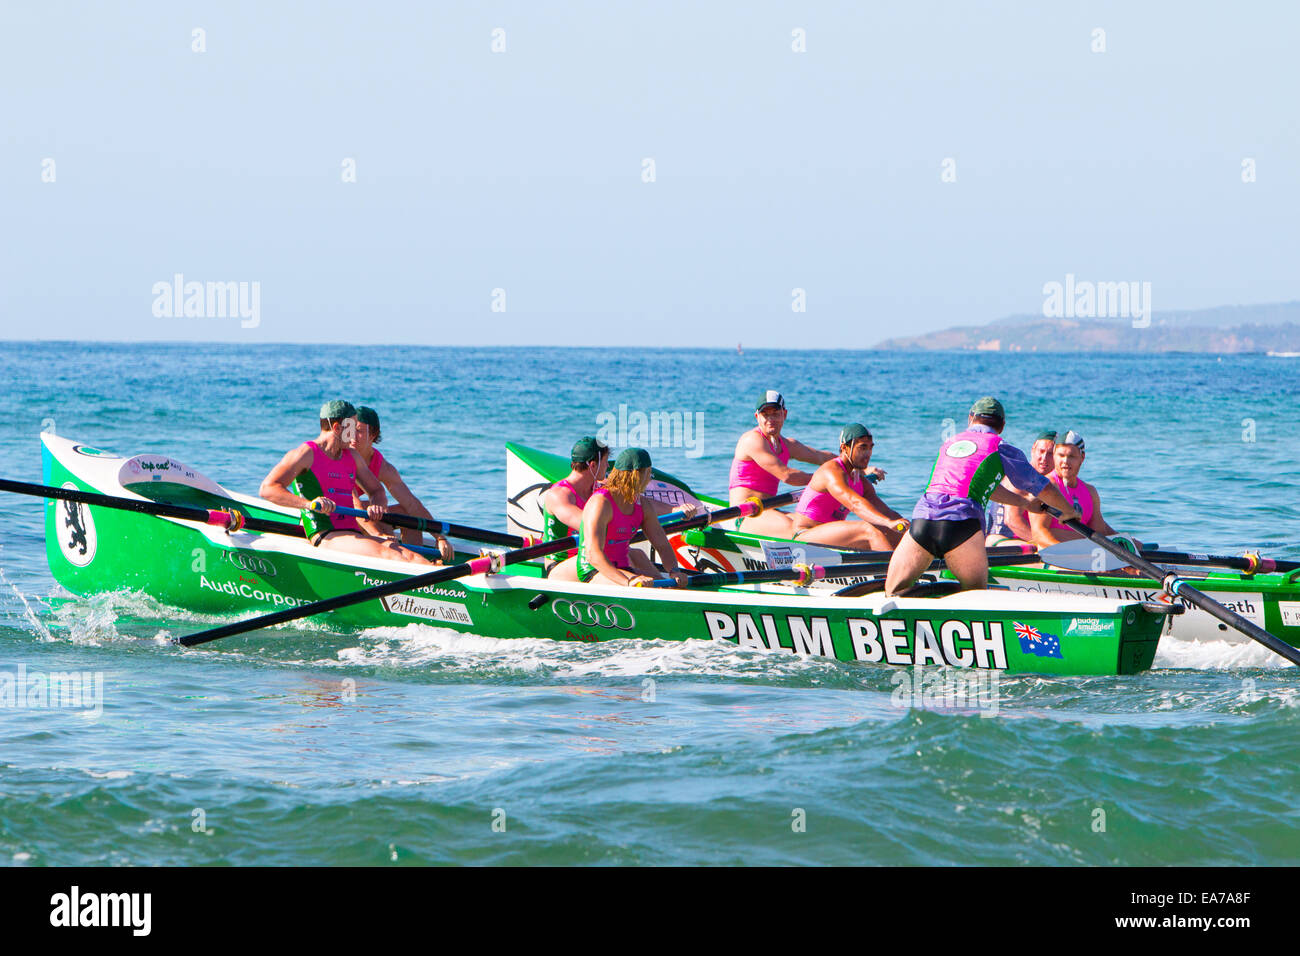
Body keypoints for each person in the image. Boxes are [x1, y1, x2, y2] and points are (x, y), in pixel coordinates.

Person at [884, 398, 1079, 594]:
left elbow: (985, 487)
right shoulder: (1001, 446)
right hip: (962, 526)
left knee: (893, 591)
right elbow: (1041, 487)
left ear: (970, 419)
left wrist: (1024, 503)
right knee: (975, 596)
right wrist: (1068, 511)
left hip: (923, 521)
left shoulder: (950, 442)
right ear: (1002, 426)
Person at [259, 400, 432, 564]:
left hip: (352, 533)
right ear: (336, 427)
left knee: (408, 554)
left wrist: (376, 505)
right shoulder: (305, 454)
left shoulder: (352, 457)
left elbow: (377, 491)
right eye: (352, 427)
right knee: (390, 554)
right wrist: (308, 504)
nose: (355, 435)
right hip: (327, 534)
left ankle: (448, 583)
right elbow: (268, 489)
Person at [550, 448, 690, 587]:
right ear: (640, 474)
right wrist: (628, 581)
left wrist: (674, 571)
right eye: (649, 473)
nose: (649, 479)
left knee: (665, 586)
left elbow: (662, 545)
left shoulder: (643, 505)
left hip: (621, 567)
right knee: (647, 588)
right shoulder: (601, 503)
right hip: (593, 570)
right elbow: (593, 555)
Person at [727, 390, 843, 536]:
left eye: (775, 413)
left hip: (769, 510)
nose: (770, 419)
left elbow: (821, 457)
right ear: (757, 417)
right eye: (765, 414)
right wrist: (827, 481)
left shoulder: (787, 444)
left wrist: (857, 469)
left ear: (784, 414)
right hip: (745, 515)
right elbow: (787, 475)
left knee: (815, 525)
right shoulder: (752, 440)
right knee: (795, 529)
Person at [348, 406, 453, 563]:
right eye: (349, 430)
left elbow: (412, 503)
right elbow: (354, 506)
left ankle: (417, 561)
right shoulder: (343, 458)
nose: (352, 436)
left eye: (359, 431)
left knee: (406, 512)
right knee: (376, 518)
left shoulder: (383, 467)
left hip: (360, 514)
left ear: (373, 435)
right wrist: (380, 536)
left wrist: (439, 536)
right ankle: (410, 561)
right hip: (337, 514)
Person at [789, 424, 907, 550]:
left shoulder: (862, 482)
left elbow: (886, 513)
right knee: (869, 529)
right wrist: (888, 522)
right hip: (805, 536)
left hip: (833, 538)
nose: (868, 454)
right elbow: (855, 504)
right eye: (862, 448)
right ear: (844, 448)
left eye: (870, 448)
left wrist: (909, 528)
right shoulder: (832, 471)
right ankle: (892, 569)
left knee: (894, 532)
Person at [1028, 430, 1119, 547]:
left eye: (1071, 456)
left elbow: (1100, 534)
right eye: (1061, 455)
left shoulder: (1090, 492)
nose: (1065, 461)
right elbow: (1039, 534)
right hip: (1051, 556)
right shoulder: (1045, 486)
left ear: (1082, 458)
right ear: (1054, 455)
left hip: (1084, 556)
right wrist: (1067, 555)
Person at [542, 436, 609, 579]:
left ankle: (665, 587)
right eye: (605, 462)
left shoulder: (599, 488)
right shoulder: (558, 495)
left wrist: (669, 509)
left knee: (635, 554)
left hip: (589, 557)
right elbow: (589, 527)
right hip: (560, 567)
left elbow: (644, 505)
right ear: (592, 465)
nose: (608, 466)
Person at [985, 429, 1056, 544]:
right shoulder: (1022, 477)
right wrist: (1042, 544)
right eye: (1041, 451)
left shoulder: (1042, 481)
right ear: (1033, 449)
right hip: (1002, 541)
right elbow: (1012, 521)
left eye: (1050, 454)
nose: (1044, 458)